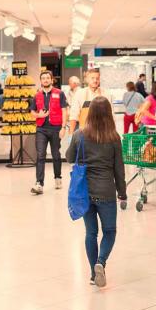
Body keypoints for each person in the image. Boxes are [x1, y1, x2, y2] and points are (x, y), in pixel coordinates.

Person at [66, 97, 126, 288]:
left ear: (89, 113)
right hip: (106, 191)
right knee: (109, 231)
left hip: (85, 192)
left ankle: (94, 273)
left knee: (91, 233)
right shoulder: (114, 138)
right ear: (109, 114)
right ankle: (101, 262)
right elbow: (119, 169)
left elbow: (68, 157)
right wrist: (122, 193)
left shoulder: (80, 134)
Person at [29, 71, 69, 195]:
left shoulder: (60, 93)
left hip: (56, 128)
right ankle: (39, 183)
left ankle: (58, 178)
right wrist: (38, 114)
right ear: (40, 81)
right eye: (43, 78)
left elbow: (65, 111)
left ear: (52, 80)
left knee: (56, 155)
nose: (45, 80)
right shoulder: (37, 95)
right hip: (41, 128)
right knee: (40, 155)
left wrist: (63, 127)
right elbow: (32, 112)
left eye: (47, 78)